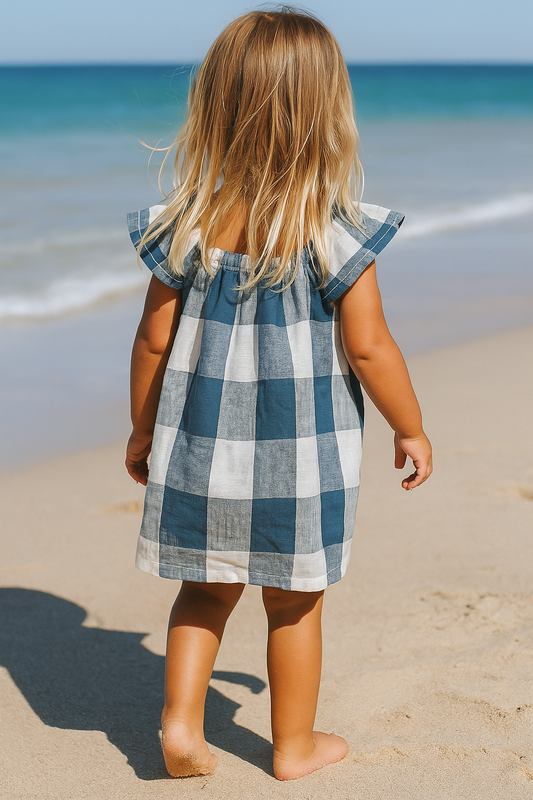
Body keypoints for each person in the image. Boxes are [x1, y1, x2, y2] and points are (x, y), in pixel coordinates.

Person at [125, 7, 432, 782]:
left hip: (200, 448)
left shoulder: (187, 223)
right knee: (294, 601)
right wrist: (409, 426)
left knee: (204, 590)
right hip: (301, 459)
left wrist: (142, 430)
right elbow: (369, 347)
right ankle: (291, 747)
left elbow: (153, 341)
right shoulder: (336, 231)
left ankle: (181, 725)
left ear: (215, 105)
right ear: (326, 110)